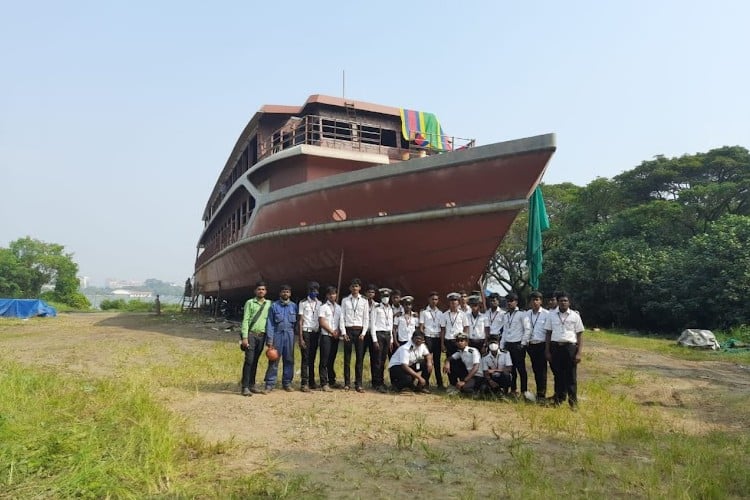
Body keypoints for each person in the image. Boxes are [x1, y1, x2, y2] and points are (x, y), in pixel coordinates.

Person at [544, 292, 585, 409]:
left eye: (565, 301)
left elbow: (580, 335)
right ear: (558, 302)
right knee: (558, 375)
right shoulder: (551, 315)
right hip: (556, 347)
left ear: (569, 302)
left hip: (570, 348)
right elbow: (548, 333)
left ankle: (573, 403)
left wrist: (579, 353)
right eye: (561, 300)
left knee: (571, 377)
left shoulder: (575, 316)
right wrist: (547, 351)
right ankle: (558, 399)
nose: (563, 303)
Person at [263, 285, 298, 392]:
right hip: (277, 334)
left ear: (290, 294)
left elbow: (297, 324)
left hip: (290, 335)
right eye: (283, 292)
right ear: (280, 293)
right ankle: (270, 384)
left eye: (287, 292)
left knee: (289, 360)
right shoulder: (274, 306)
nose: (285, 294)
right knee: (274, 359)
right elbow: (270, 323)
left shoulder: (294, 306)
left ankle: (287, 383)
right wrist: (270, 339)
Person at [240, 281, 271, 396]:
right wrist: (244, 337)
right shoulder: (250, 303)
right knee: (249, 360)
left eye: (263, 289)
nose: (261, 291)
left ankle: (252, 385)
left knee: (255, 361)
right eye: (259, 289)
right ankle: (245, 386)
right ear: (255, 291)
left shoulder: (269, 304)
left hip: (261, 336)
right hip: (251, 334)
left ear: (266, 291)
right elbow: (246, 320)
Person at [499, 292, 533, 400]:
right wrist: (502, 345)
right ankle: (513, 390)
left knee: (521, 369)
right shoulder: (506, 315)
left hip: (518, 344)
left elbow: (527, 329)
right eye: (508, 301)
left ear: (516, 302)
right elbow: (504, 331)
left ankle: (524, 391)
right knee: (510, 369)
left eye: (511, 301)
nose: (509, 303)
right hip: (508, 345)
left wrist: (523, 344)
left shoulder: (522, 314)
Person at [341, 278, 370, 392]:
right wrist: (343, 333)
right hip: (348, 330)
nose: (354, 288)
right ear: (350, 288)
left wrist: (363, 333)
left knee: (359, 359)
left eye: (357, 286)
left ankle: (359, 384)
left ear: (360, 288)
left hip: (359, 332)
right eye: (353, 286)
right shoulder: (345, 300)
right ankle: (347, 383)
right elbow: (342, 317)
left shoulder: (364, 300)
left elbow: (366, 318)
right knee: (347, 358)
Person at [440, 292, 470, 387]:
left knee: (461, 363)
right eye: (451, 301)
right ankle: (452, 384)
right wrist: (442, 344)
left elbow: (466, 328)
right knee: (450, 363)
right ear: (449, 303)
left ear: (458, 302)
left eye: (455, 301)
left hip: (459, 342)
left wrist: (465, 342)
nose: (453, 303)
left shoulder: (463, 315)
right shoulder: (444, 315)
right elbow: (443, 330)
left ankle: (462, 383)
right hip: (449, 342)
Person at [370, 287, 395, 393]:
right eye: (384, 296)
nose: (386, 298)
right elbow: (372, 324)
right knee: (378, 360)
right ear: (380, 297)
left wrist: (392, 340)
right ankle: (376, 382)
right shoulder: (376, 308)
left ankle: (381, 381)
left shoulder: (390, 309)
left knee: (383, 360)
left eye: (387, 296)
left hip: (388, 335)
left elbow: (391, 325)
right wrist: (374, 340)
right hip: (379, 334)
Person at [298, 281, 322, 392]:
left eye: (316, 290)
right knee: (305, 358)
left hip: (315, 333)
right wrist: (301, 338)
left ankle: (312, 382)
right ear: (308, 291)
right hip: (306, 332)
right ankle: (304, 383)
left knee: (312, 358)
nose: (314, 292)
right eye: (312, 290)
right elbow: (301, 321)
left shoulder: (320, 304)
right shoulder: (303, 303)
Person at [526, 291, 550, 401]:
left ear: (541, 301)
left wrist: (547, 348)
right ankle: (538, 392)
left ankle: (541, 395)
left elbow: (549, 332)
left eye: (537, 300)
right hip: (530, 345)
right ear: (530, 302)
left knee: (542, 371)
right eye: (533, 300)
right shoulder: (527, 314)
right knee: (535, 370)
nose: (535, 302)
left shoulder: (546, 314)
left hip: (542, 345)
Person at [318, 286, 343, 392]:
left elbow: (340, 321)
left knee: (332, 359)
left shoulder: (339, 308)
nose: (332, 295)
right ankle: (324, 383)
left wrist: (338, 331)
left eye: (334, 293)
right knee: (324, 359)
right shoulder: (323, 307)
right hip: (326, 336)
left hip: (335, 336)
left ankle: (332, 380)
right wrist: (332, 331)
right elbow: (322, 321)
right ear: (327, 295)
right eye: (330, 294)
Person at [419, 291, 444, 389]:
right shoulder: (424, 312)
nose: (434, 301)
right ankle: (425, 382)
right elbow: (421, 327)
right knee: (427, 361)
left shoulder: (440, 313)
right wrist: (423, 339)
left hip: (437, 338)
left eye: (436, 299)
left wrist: (442, 342)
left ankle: (440, 384)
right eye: (432, 299)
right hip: (428, 337)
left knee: (437, 362)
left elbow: (442, 328)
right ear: (429, 300)